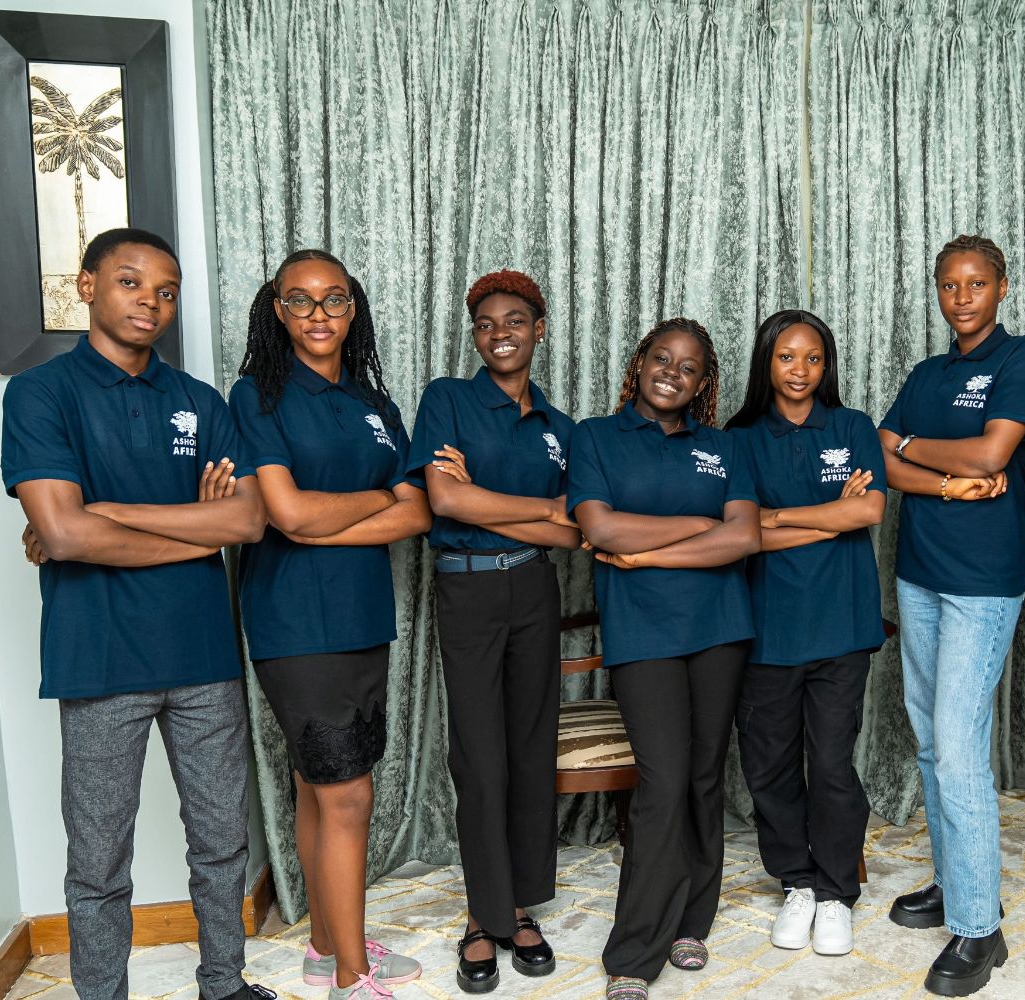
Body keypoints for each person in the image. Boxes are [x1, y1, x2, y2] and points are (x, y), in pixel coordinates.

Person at [1, 228, 274, 1000]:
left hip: (203, 657)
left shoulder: (199, 401)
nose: (150, 301)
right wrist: (191, 530)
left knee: (222, 842)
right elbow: (61, 531)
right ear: (86, 286)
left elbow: (247, 523)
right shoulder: (41, 394)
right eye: (129, 282)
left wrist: (110, 515)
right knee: (97, 861)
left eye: (166, 290)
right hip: (99, 659)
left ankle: (224, 985)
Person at [230, 249, 431, 999]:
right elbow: (283, 513)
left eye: (334, 299)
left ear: (355, 310)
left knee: (322, 789)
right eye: (301, 300)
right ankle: (353, 975)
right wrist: (367, 506)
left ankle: (324, 947)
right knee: (347, 796)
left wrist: (325, 522)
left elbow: (416, 510)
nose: (319, 315)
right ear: (277, 311)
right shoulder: (257, 396)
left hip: (361, 617)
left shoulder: (378, 408)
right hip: (293, 619)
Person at [878, 234, 1025, 997]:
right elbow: (881, 455)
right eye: (949, 286)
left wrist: (924, 454)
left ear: (1001, 287)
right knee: (928, 742)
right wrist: (942, 477)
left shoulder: (1023, 359)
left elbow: (995, 455)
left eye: (976, 284)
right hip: (919, 574)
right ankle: (954, 886)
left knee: (958, 747)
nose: (962, 297)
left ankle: (982, 930)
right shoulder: (927, 372)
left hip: (983, 583)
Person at [567, 317, 760, 1000]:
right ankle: (634, 951)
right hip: (644, 633)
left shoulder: (724, 446)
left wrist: (646, 553)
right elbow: (600, 526)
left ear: (704, 381)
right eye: (661, 358)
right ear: (639, 362)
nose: (672, 372)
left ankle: (692, 921)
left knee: (705, 777)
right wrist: (700, 526)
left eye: (688, 366)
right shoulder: (596, 437)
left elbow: (743, 539)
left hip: (720, 629)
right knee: (664, 779)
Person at [407, 269, 579, 994]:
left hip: (534, 586)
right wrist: (528, 511)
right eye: (486, 323)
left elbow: (572, 529)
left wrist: (486, 501)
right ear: (474, 334)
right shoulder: (447, 398)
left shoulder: (561, 428)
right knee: (480, 756)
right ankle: (484, 916)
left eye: (515, 320)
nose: (500, 333)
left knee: (530, 749)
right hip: (469, 588)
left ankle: (520, 903)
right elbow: (442, 498)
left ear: (540, 329)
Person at [724, 310, 886, 957]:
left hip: (842, 626)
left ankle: (835, 891)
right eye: (787, 357)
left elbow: (869, 508)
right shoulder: (737, 439)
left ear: (828, 365)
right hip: (764, 630)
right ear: (767, 363)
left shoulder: (852, 427)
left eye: (812, 358)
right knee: (768, 766)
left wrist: (780, 517)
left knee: (833, 766)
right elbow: (742, 532)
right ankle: (796, 880)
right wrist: (830, 517)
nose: (800, 370)